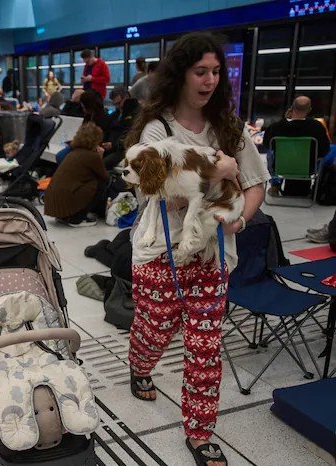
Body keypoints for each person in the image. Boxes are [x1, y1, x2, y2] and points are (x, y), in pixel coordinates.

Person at [123, 32, 270, 466]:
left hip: (211, 256)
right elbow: (164, 193)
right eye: (199, 71)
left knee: (205, 346)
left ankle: (200, 432)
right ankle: (140, 363)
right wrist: (219, 170)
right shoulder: (158, 129)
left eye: (215, 72)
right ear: (181, 75)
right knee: (155, 332)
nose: (209, 80)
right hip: (161, 252)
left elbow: (255, 183)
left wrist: (240, 217)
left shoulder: (228, 126)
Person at [263, 95, 331, 196]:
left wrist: (284, 119)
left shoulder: (277, 127)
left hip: (280, 166)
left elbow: (266, 144)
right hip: (308, 167)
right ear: (309, 109)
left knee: (271, 153)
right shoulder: (316, 127)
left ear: (292, 108)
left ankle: (275, 184)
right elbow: (324, 149)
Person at [44, 123, 109, 227]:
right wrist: (100, 156)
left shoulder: (72, 153)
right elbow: (105, 177)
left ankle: (65, 216)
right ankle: (77, 218)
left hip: (52, 203)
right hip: (66, 199)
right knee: (100, 183)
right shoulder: (92, 156)